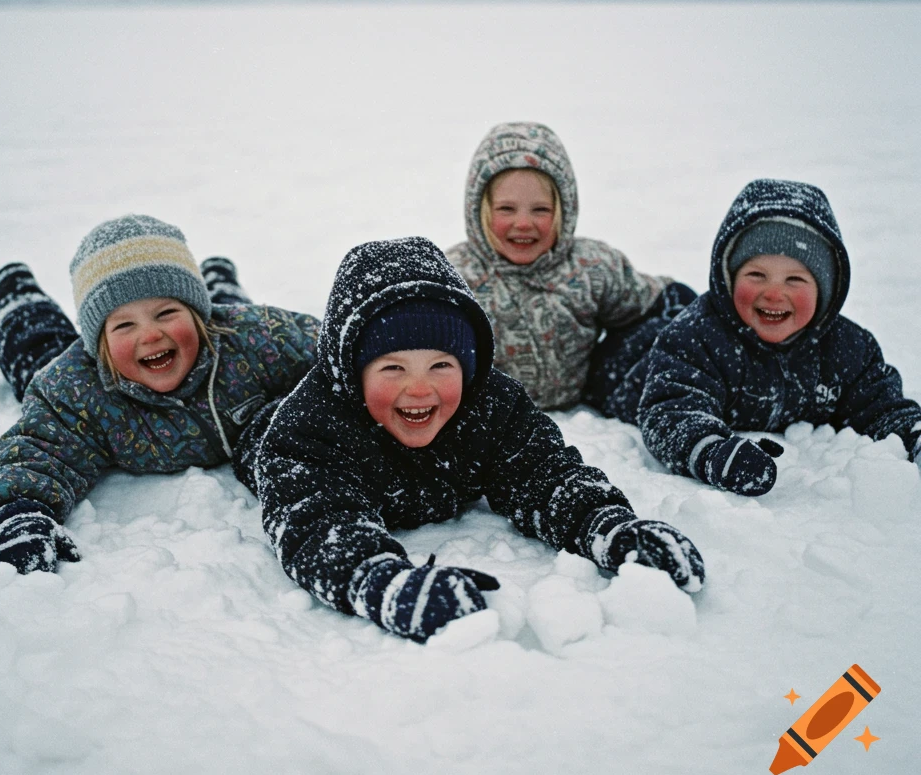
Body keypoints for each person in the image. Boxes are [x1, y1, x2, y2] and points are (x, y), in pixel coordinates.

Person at [255, 236, 705, 644]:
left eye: (441, 366)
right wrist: (385, 583)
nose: (419, 389)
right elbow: (316, 522)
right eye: (393, 368)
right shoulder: (310, 429)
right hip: (260, 427)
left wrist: (608, 527)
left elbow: (544, 473)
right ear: (355, 374)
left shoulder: (490, 405)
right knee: (256, 411)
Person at [0, 214, 319, 574]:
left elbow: (329, 352)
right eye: (124, 324)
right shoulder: (75, 389)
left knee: (231, 319)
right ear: (99, 342)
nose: (150, 335)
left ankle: (216, 284)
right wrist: (20, 517)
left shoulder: (257, 338)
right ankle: (13, 295)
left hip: (223, 328)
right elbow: (38, 452)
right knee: (38, 350)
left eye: (166, 312)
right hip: (78, 368)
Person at [634, 178, 921, 495]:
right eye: (756, 275)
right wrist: (713, 451)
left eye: (795, 279)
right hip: (634, 364)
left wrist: (913, 435)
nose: (773, 293)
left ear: (825, 291)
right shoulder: (696, 336)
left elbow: (882, 406)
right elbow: (670, 410)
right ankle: (661, 303)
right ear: (728, 278)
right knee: (632, 348)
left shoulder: (848, 349)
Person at [445, 121, 696, 416]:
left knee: (664, 332)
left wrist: (693, 317)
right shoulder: (458, 276)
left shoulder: (589, 266)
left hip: (592, 389)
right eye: (506, 209)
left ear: (564, 211)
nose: (523, 223)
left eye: (541, 210)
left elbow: (647, 299)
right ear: (480, 211)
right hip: (487, 408)